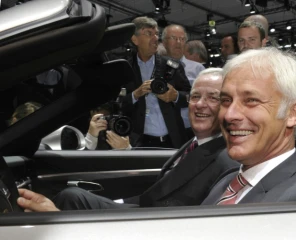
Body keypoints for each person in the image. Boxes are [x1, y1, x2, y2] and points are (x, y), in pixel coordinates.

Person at [17, 68, 240, 211]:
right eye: (195, 97)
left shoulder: (226, 158)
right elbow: (156, 194)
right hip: (145, 210)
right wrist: (118, 203)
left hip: (155, 225)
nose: (200, 104)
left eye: (213, 98)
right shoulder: (195, 144)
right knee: (72, 196)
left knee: (70, 198)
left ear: (228, 105)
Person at [202, 47, 296, 205]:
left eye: (251, 100)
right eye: (226, 100)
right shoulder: (228, 179)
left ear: (292, 113)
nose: (229, 115)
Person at [121, 17, 191, 149]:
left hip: (173, 139)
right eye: (148, 33)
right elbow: (116, 104)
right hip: (140, 141)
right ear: (134, 39)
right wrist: (135, 95)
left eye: (157, 34)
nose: (155, 38)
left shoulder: (172, 65)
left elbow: (191, 97)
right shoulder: (124, 68)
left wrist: (175, 96)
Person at [162, 24, 205, 139]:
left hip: (191, 129)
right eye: (173, 38)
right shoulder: (156, 67)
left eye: (182, 39)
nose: (178, 42)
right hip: (165, 130)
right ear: (164, 42)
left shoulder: (198, 69)